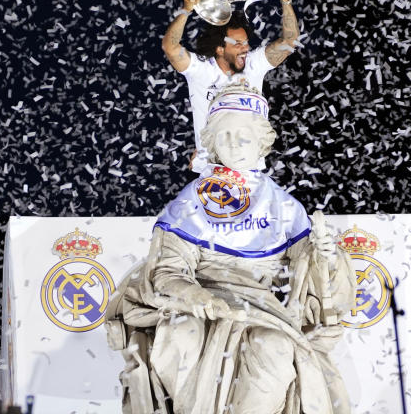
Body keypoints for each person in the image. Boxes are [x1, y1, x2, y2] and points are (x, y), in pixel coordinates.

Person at [104, 84, 355, 414]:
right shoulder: (191, 202)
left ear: (262, 142)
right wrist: (196, 296)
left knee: (275, 349)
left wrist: (326, 255)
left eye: (244, 136)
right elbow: (167, 270)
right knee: (180, 336)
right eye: (225, 136)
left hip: (264, 310)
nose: (235, 144)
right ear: (213, 145)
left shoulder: (284, 208)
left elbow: (311, 280)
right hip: (202, 304)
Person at [162, 0, 302, 173]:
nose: (244, 49)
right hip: (212, 170)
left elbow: (290, 40)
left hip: (251, 170)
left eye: (245, 43)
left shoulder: (254, 64)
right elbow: (170, 47)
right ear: (220, 49)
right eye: (237, 44)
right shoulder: (201, 69)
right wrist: (186, 10)